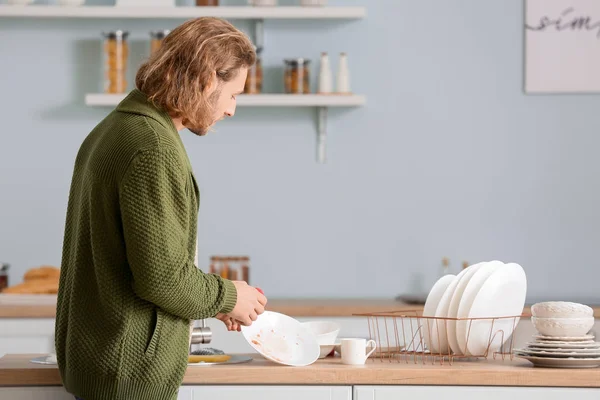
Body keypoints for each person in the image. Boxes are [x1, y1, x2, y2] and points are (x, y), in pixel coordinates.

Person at [55, 17, 267, 400]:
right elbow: (163, 280)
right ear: (206, 81)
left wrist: (210, 301)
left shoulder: (116, 128)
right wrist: (230, 296)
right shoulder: (152, 146)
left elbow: (143, 265)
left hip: (105, 366)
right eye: (233, 94)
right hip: (127, 377)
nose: (232, 110)